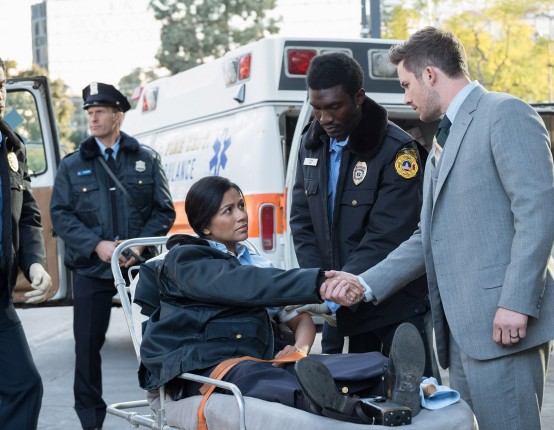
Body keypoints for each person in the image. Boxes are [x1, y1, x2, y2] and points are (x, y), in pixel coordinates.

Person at [320, 27, 554, 430]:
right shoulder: (444, 138)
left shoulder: (505, 113)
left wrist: (517, 303)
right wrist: (364, 284)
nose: (405, 97)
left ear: (430, 75)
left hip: (504, 322)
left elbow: (538, 215)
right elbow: (426, 238)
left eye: (406, 85)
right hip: (464, 332)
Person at [137, 176, 426, 422]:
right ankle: (344, 407)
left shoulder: (257, 264)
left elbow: (299, 316)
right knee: (258, 376)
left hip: (264, 360)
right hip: (210, 367)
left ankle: (390, 380)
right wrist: (318, 282)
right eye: (228, 210)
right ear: (206, 226)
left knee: (347, 364)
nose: (241, 215)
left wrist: (299, 350)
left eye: (241, 205)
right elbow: (244, 284)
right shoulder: (186, 260)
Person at [289, 52, 432, 374]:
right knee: (343, 391)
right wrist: (319, 281)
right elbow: (302, 219)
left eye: (334, 107)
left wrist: (340, 287)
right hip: (337, 304)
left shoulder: (397, 150)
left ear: (358, 97)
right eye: (317, 108)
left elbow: (389, 233)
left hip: (390, 305)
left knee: (412, 390)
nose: (325, 118)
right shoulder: (311, 143)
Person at [50, 82, 176, 430]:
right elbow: (60, 214)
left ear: (117, 116)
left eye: (100, 112)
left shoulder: (145, 159)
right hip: (91, 269)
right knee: (87, 348)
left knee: (157, 340)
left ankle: (166, 410)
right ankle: (90, 421)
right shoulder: (72, 164)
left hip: (138, 270)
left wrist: (136, 247)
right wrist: (97, 245)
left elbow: (163, 210)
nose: (92, 118)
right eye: (89, 113)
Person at [0, 56, 53, 430]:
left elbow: (29, 215)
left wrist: (35, 263)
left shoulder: (11, 144)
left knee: (24, 386)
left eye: (1, 85)